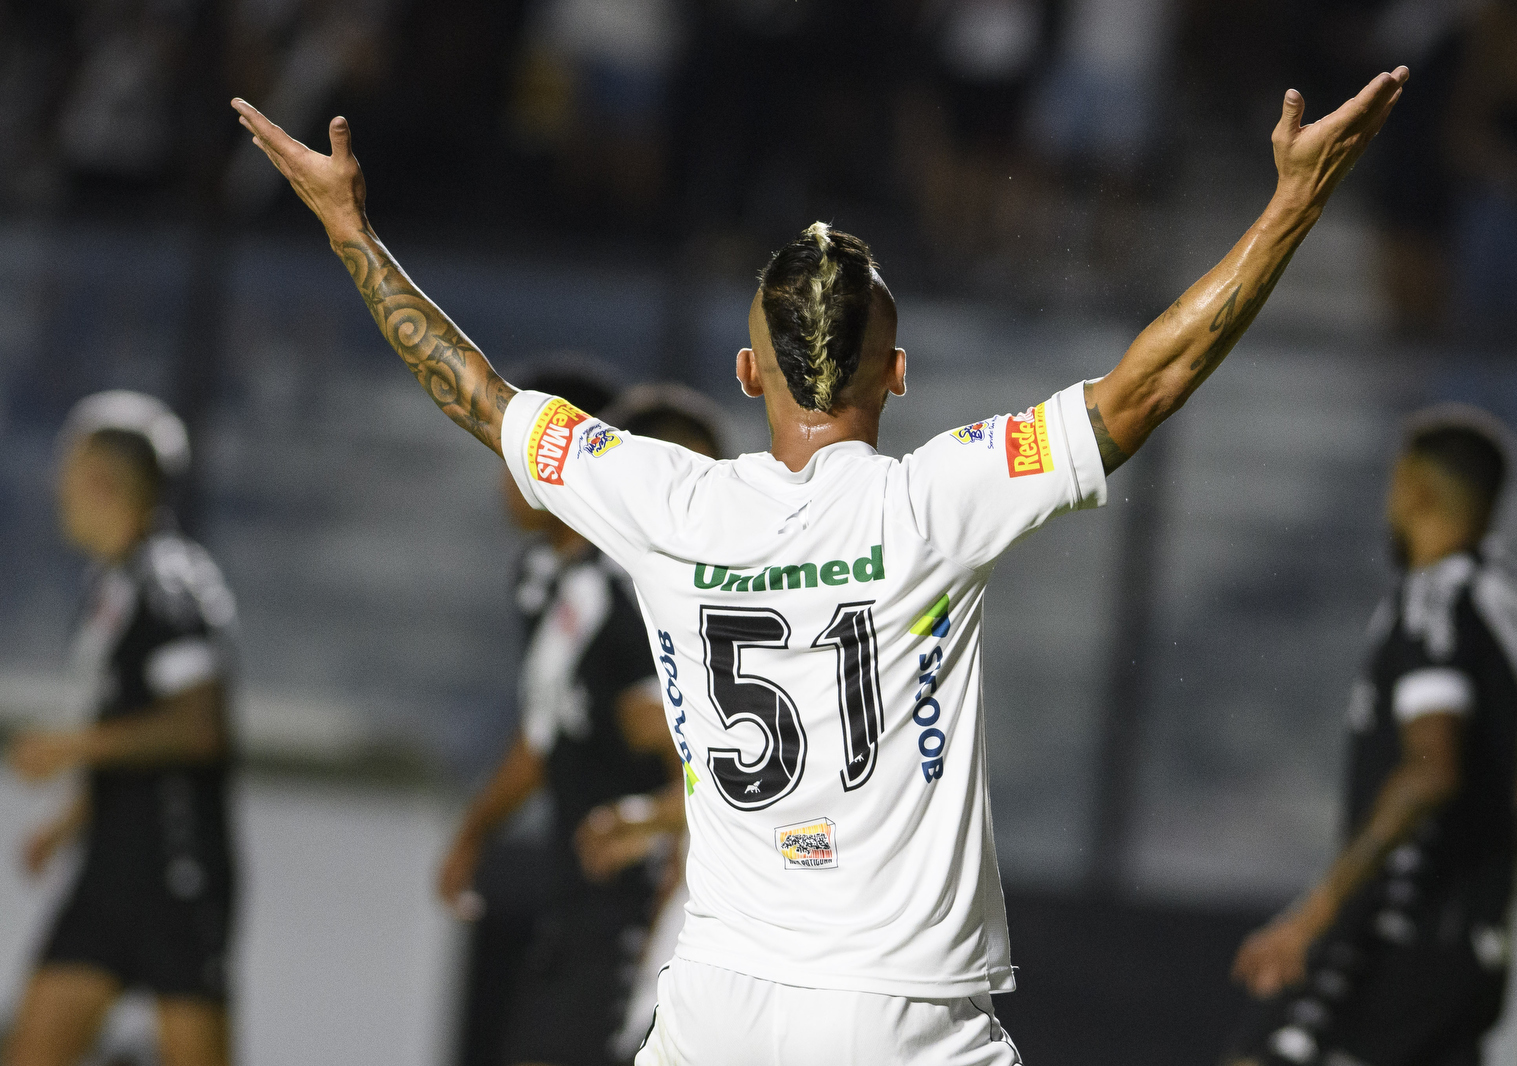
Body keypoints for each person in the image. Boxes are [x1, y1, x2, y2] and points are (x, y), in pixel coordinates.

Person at [232, 63, 1408, 1064]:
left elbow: (480, 396)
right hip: (897, 1007)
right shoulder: (933, 500)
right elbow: (1148, 384)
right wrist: (1290, 204)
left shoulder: (668, 500)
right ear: (896, 373)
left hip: (717, 1004)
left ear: (748, 374)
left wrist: (350, 232)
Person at [1226, 408, 1517, 1066]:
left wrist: (1312, 915)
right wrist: (1478, 873)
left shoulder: (1432, 602)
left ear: (1415, 489)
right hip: (1473, 957)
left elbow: (1430, 771)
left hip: (1392, 934)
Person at [436, 375, 724, 1066]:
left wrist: (652, 835)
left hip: (631, 909)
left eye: (518, 452)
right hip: (579, 897)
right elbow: (545, 730)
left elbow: (701, 766)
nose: (505, 475)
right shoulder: (549, 580)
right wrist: (477, 829)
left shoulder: (627, 597)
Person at [4, 392, 237, 1066]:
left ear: (102, 483)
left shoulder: (171, 584)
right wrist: (70, 820)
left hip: (175, 872)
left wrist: (68, 748)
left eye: (68, 471)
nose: (58, 490)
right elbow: (130, 723)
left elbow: (198, 726)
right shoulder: (111, 587)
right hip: (110, 867)